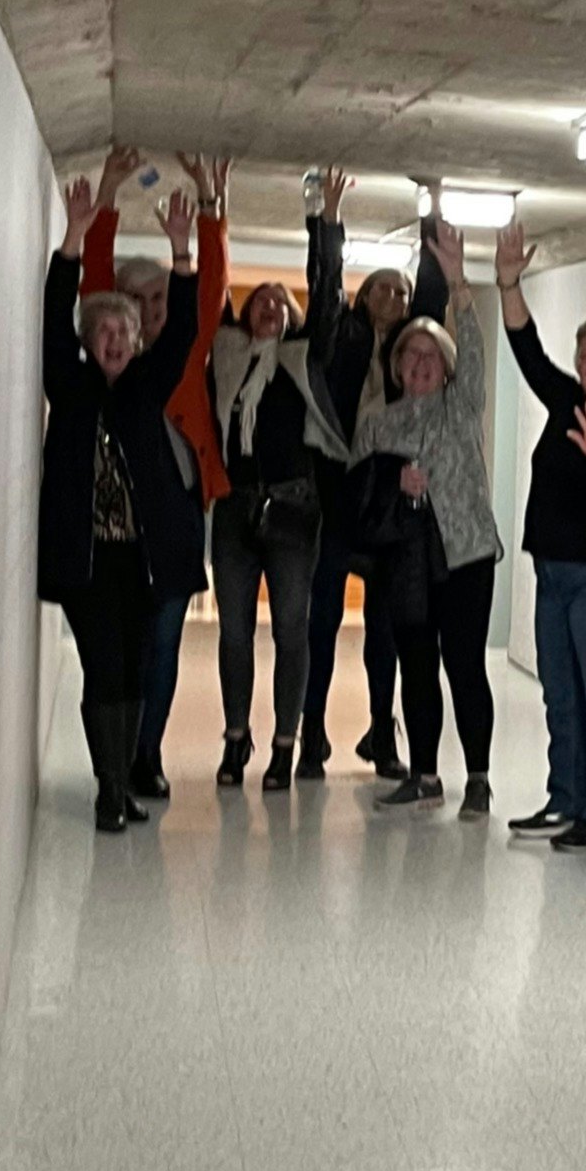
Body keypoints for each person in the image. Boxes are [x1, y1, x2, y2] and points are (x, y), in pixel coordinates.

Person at [40, 176, 202, 832]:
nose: (113, 338)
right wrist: (73, 240)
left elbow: (186, 328)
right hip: (86, 559)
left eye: (124, 330)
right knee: (102, 667)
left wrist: (182, 252)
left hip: (144, 558)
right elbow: (53, 316)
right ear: (88, 337)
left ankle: (124, 775)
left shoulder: (146, 387)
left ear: (137, 340)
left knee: (135, 669)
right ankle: (110, 787)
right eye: (103, 329)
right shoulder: (70, 384)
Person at [75, 148, 230, 800]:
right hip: (115, 525)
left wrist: (207, 210)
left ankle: (146, 755)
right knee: (124, 644)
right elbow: (94, 283)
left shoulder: (185, 349)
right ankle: (118, 756)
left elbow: (210, 287)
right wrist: (106, 200)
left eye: (158, 296)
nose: (148, 308)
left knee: (163, 640)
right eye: (135, 301)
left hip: (175, 513)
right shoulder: (112, 357)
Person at [493, 217, 586, 852]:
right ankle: (566, 799)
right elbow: (529, 352)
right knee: (562, 697)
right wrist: (508, 283)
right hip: (552, 574)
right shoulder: (568, 403)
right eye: (585, 360)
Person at [358, 218, 504, 815]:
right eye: (409, 355)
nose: (419, 363)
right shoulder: (378, 421)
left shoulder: (461, 406)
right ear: (397, 368)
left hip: (466, 555)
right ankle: (423, 773)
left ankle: (477, 776)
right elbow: (359, 491)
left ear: (445, 369)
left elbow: (472, 351)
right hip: (407, 562)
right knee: (416, 665)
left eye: (430, 356)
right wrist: (393, 482)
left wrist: (457, 282)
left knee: (464, 666)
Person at [199, 172, 334, 792]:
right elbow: (210, 290)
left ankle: (285, 743)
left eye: (281, 303)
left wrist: (325, 223)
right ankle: (235, 741)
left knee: (289, 631)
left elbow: (328, 297)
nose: (270, 308)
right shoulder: (226, 354)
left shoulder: (301, 358)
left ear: (291, 317)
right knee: (233, 633)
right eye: (262, 301)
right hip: (234, 511)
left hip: (294, 511)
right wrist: (212, 207)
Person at [303, 190, 417, 781]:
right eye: (383, 289)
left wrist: (433, 216)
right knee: (321, 627)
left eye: (401, 291)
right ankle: (311, 737)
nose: (393, 299)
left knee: (386, 635)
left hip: (388, 511)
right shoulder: (341, 339)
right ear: (365, 295)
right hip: (339, 505)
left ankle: (382, 735)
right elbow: (324, 290)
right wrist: (328, 224)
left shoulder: (411, 354)